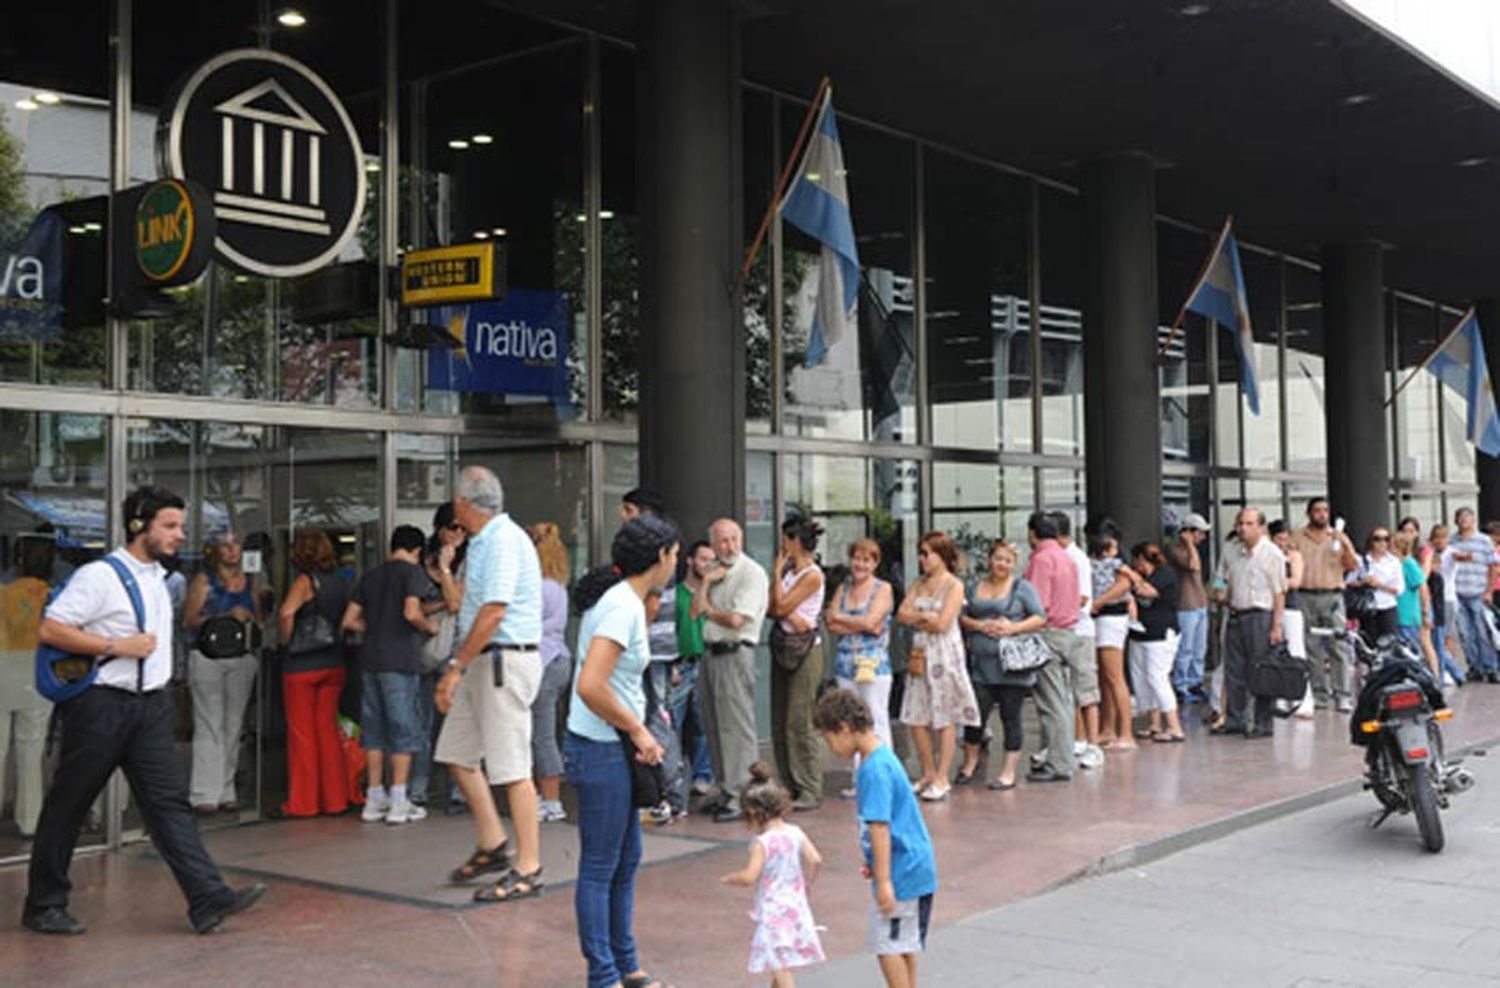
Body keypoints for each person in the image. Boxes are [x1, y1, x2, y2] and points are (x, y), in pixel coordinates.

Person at [23, 486, 265, 936]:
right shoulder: (99, 576)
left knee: (169, 805)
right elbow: (52, 628)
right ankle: (44, 904)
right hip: (102, 706)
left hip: (149, 706)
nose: (179, 535)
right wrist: (117, 646)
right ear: (139, 526)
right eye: (169, 526)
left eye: (180, 525)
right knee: (69, 804)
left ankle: (206, 897)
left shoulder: (159, 577)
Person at [567, 515, 679, 988]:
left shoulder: (623, 601)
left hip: (609, 746)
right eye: (673, 554)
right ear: (660, 558)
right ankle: (604, 974)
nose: (675, 562)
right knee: (600, 865)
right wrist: (638, 729)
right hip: (601, 747)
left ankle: (625, 964)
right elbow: (591, 685)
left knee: (625, 858)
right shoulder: (621, 607)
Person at [435, 466, 545, 903]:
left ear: (464, 503)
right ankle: (492, 842)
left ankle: (529, 866)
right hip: (484, 660)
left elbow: (494, 611)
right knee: (457, 754)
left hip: (501, 659)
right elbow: (467, 604)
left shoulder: (501, 540)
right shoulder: (482, 542)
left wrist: (455, 666)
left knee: (513, 768)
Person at [814, 688, 937, 988]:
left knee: (887, 946)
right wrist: (874, 863)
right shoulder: (881, 758)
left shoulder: (874, 769)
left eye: (829, 739)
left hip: (902, 873)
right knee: (903, 943)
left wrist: (883, 881)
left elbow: (879, 827)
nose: (831, 747)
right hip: (912, 866)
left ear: (843, 729)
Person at [342, 525, 439, 825]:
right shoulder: (413, 573)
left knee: (374, 731)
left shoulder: (371, 575)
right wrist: (428, 626)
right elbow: (412, 612)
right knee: (403, 729)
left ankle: (374, 797)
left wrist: (376, 629)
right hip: (401, 661)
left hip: (370, 659)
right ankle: (399, 799)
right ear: (418, 550)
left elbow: (349, 620)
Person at [719, 761, 826, 986]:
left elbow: (749, 876)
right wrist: (808, 884)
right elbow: (816, 859)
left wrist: (730, 878)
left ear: (753, 814)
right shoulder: (795, 832)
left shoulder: (762, 842)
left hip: (773, 911)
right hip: (796, 905)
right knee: (781, 962)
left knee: (780, 965)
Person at [694, 518, 770, 823]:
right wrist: (708, 583)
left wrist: (711, 610)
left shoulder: (750, 573)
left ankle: (746, 796)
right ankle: (725, 789)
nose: (730, 546)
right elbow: (694, 609)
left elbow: (737, 620)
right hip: (711, 653)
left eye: (734, 539)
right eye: (723, 541)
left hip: (735, 652)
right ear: (712, 544)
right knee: (714, 724)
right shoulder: (715, 574)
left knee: (736, 726)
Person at [895, 531, 979, 802]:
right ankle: (928, 771)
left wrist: (922, 618)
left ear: (941, 555)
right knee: (916, 715)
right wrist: (924, 617)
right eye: (921, 553)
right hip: (921, 653)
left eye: (927, 553)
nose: (923, 559)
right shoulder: (919, 583)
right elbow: (902, 613)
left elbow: (943, 623)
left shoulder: (954, 585)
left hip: (945, 654)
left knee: (946, 715)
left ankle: (943, 775)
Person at [182, 530, 261, 816]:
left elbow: (260, 618)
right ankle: (204, 792)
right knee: (209, 722)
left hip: (240, 655)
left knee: (233, 724)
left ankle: (226, 788)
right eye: (225, 545)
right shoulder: (204, 581)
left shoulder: (250, 581)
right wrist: (226, 618)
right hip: (208, 655)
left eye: (236, 544)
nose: (231, 550)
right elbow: (189, 619)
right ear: (215, 551)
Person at [277, 529, 354, 818]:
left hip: (302, 666)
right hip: (334, 663)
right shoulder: (340, 582)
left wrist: (285, 641)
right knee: (328, 733)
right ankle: (335, 800)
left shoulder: (304, 581)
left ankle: (303, 803)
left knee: (302, 735)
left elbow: (286, 613)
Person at [957, 540, 1046, 789]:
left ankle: (1008, 771)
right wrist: (980, 626)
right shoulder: (974, 586)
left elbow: (1040, 617)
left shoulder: (1022, 588)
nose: (1002, 565)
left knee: (1011, 716)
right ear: (989, 560)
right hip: (980, 663)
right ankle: (969, 763)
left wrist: (1012, 627)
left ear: (1014, 564)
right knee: (975, 716)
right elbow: (962, 616)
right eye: (998, 559)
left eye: (1007, 561)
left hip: (1012, 666)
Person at [825, 539, 895, 795]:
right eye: (856, 558)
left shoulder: (883, 589)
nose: (860, 564)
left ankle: (884, 778)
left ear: (875, 563)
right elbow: (831, 623)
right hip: (845, 664)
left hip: (872, 665)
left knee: (875, 719)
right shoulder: (843, 588)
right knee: (851, 722)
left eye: (867, 560)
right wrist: (861, 623)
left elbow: (872, 622)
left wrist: (851, 621)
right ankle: (860, 779)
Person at [767, 517, 828, 812]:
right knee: (779, 717)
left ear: (795, 540)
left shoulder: (812, 575)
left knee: (799, 718)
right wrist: (789, 612)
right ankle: (789, 782)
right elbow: (772, 607)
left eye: (786, 539)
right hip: (784, 644)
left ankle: (809, 785)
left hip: (805, 651)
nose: (782, 545)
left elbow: (779, 606)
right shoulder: (789, 571)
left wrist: (783, 608)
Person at [1211, 508, 1286, 739]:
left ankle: (1263, 723)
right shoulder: (1231, 549)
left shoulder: (1271, 553)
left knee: (1261, 670)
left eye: (1249, 523)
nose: (1243, 528)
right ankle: (1235, 719)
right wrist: (1219, 592)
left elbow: (1279, 592)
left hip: (1260, 615)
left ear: (1261, 527)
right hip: (1235, 613)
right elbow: (1220, 576)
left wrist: (1276, 625)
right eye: (1240, 523)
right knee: (1234, 670)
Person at [0, 536, 55, 837]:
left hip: (3, 671)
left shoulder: (3, 594)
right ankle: (30, 819)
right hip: (39, 676)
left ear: (18, 562)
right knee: (32, 750)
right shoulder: (54, 596)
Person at [1023, 512, 1078, 781]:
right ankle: (1061, 757)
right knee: (1063, 700)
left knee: (1051, 702)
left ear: (1033, 532)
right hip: (1067, 632)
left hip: (1048, 634)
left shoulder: (1042, 559)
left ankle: (1058, 763)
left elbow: (1037, 604)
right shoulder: (1065, 557)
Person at [1291, 497, 1359, 711]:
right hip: (1306, 595)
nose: (1321, 514)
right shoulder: (1298, 537)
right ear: (1309, 513)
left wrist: (1345, 544)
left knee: (1337, 645)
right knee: (1311, 646)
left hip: (1333, 595)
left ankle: (1343, 694)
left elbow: (1352, 566)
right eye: (1317, 510)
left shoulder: (1336, 536)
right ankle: (1319, 694)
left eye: (1325, 511)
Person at [422, 503, 468, 813]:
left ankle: (458, 793)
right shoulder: (420, 562)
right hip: (421, 652)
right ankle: (417, 789)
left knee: (457, 723)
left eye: (464, 528)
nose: (459, 533)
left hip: (455, 652)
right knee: (421, 725)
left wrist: (447, 569)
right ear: (440, 530)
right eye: (454, 527)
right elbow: (410, 607)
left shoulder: (468, 562)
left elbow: (455, 603)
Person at [529, 522, 573, 824]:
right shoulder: (558, 586)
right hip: (559, 660)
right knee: (547, 734)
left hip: (542, 662)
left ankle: (552, 801)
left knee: (541, 736)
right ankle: (549, 798)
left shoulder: (538, 588)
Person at [1052, 513, 1102, 770]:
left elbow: (1083, 598)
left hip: (1079, 631)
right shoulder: (1061, 557)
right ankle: (1078, 740)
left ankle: (1093, 745)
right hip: (1065, 630)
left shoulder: (1076, 558)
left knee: (1085, 690)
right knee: (1068, 691)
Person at [1123, 543, 1184, 742]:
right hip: (1140, 633)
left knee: (1157, 677)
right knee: (1141, 679)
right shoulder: (1141, 575)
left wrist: (1131, 575)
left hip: (1161, 634)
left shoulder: (1165, 574)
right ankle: (1154, 723)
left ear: (1142, 559)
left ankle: (1174, 727)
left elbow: (1147, 591)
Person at [1088, 522, 1135, 750]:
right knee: (1105, 678)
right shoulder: (1092, 562)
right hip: (1100, 617)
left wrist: (1097, 602)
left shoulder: (1119, 564)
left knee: (1114, 676)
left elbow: (1124, 586)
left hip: (1111, 617)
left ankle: (1126, 733)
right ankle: (1108, 728)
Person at [674, 540, 716, 796]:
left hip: (707, 660)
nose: (707, 565)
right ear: (689, 560)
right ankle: (675, 777)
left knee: (703, 725)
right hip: (681, 663)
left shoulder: (713, 594)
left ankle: (703, 775)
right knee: (673, 724)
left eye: (711, 560)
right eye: (702, 559)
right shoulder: (676, 593)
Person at [1268, 519, 1312, 719]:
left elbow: (1296, 581)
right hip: (1270, 607)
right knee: (1274, 653)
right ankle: (1279, 696)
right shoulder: (1268, 555)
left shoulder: (1293, 556)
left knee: (1296, 650)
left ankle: (1302, 699)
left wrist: (1276, 582)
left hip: (1290, 608)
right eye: (1278, 538)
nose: (1282, 542)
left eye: (1285, 539)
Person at [1448, 507, 1498, 683]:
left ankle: (1491, 667)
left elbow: (1493, 566)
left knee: (1482, 632)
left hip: (1478, 592)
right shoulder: (1452, 541)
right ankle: (1474, 668)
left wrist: (1489, 591)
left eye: (1466, 518)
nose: (1463, 521)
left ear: (1474, 520)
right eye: (1460, 518)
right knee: (1465, 633)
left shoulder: (1484, 541)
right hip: (1458, 593)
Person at [1169, 513, 1211, 704]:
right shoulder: (1176, 550)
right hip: (1185, 605)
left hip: (1200, 603)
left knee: (1199, 648)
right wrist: (1188, 545)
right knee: (1185, 648)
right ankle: (1181, 684)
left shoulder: (1193, 549)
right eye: (1200, 533)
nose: (1202, 537)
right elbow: (1193, 566)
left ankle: (1196, 682)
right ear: (1189, 532)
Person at [1429, 524, 1466, 687]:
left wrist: (1466, 557)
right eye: (1436, 537)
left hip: (1448, 598)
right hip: (1434, 598)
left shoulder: (1451, 552)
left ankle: (1452, 670)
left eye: (1442, 538)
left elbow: (1460, 556)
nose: (1439, 541)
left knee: (1447, 636)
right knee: (1436, 638)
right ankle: (1449, 670)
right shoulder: (1429, 552)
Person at [1356, 527, 1402, 642]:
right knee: (1369, 643)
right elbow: (1348, 582)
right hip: (1368, 607)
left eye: (1386, 539)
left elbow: (1400, 589)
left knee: (1389, 644)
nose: (1382, 543)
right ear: (1371, 541)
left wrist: (1380, 585)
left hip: (1388, 606)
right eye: (1377, 539)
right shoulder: (1362, 560)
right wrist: (1363, 582)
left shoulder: (1394, 561)